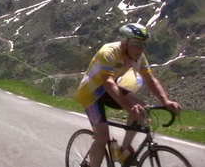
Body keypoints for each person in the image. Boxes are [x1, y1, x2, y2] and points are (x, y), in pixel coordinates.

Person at [74, 23, 182, 167]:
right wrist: (128, 107)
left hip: (108, 91)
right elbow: (108, 83)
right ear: (125, 43)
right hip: (90, 93)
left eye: (143, 45)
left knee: (141, 109)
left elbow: (151, 80)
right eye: (137, 44)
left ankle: (123, 152)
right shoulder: (108, 52)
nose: (140, 49)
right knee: (102, 137)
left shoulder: (139, 57)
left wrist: (165, 101)